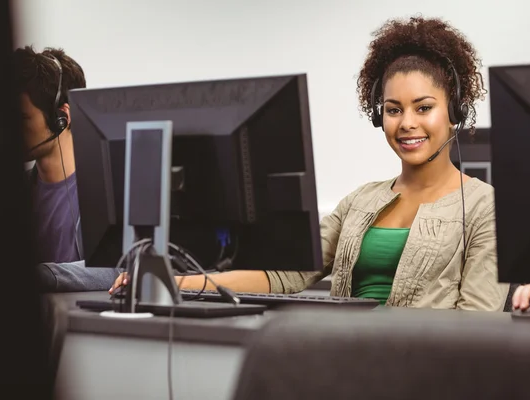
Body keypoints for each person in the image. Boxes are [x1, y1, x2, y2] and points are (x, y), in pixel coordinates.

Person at [111, 16, 509, 311]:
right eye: (392, 110)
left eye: (424, 107)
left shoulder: (484, 207)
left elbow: (478, 319)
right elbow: (286, 274)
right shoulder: (360, 202)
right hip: (338, 359)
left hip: (423, 369)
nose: (406, 123)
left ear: (455, 110)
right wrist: (179, 280)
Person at [13, 46, 119, 291]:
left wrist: (40, 274)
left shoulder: (108, 189)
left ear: (62, 117)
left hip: (86, 324)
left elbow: (118, 268)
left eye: (23, 119)